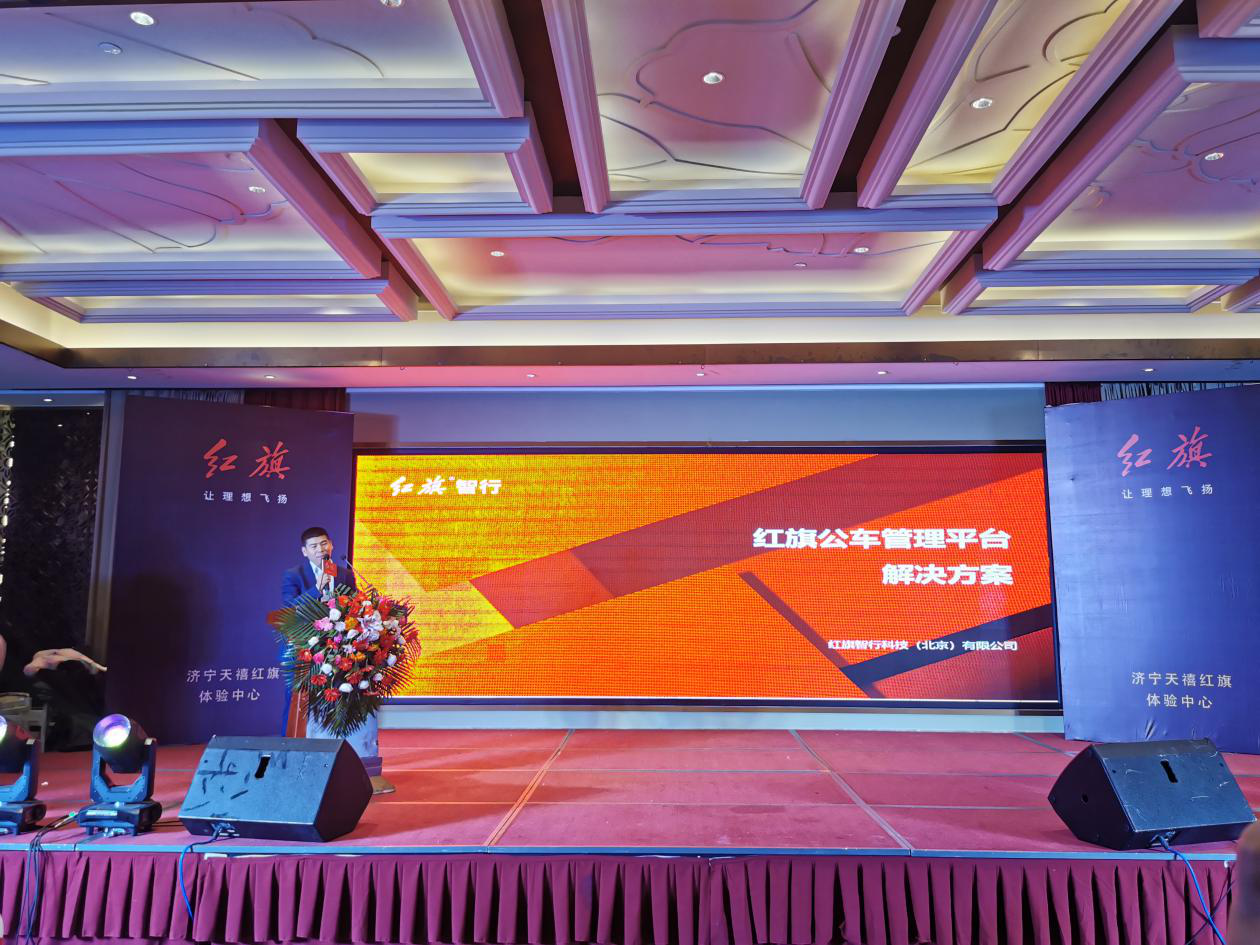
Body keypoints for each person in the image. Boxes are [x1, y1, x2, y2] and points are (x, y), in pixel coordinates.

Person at [280, 527, 393, 794]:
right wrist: (317, 587)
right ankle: (291, 763)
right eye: (314, 546)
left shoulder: (344, 573)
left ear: (331, 545)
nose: (321, 550)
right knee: (298, 709)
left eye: (324, 544)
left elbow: (354, 605)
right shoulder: (294, 575)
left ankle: (354, 766)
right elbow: (289, 610)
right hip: (304, 652)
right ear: (305, 551)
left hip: (341, 648)